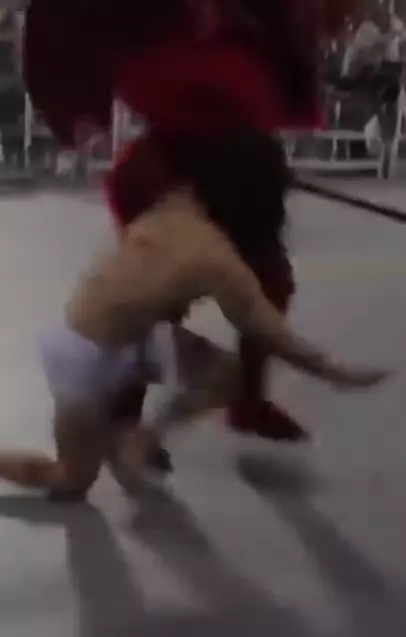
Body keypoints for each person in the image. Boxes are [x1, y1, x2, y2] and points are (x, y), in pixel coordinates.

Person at [22, 0, 358, 443]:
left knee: (269, 282)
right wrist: (84, 121)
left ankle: (248, 402)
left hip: (241, 152)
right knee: (156, 295)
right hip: (172, 159)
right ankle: (126, 416)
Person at [0, 131, 389, 500]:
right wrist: (335, 371)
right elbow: (272, 332)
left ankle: (144, 436)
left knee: (230, 374)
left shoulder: (173, 200)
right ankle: (131, 437)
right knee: (71, 481)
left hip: (138, 336)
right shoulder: (216, 258)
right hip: (81, 355)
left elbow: (201, 148)